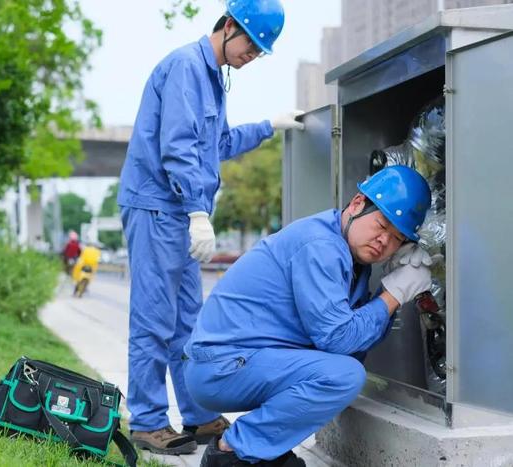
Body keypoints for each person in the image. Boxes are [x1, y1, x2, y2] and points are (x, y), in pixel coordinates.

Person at [116, 0, 286, 456]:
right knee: (154, 320)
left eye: (260, 51)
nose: (253, 55)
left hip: (180, 214)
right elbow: (178, 148)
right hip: (158, 209)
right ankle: (149, 422)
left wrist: (270, 127)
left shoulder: (213, 78)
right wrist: (197, 211)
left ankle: (195, 414)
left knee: (189, 326)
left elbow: (221, 142)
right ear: (229, 26)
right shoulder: (187, 67)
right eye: (252, 42)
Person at [183, 165, 434, 467]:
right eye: (381, 225)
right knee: (344, 375)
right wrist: (393, 293)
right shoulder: (321, 246)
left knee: (343, 367)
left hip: (239, 361)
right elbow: (339, 340)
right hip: (219, 367)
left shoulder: (351, 256)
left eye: (396, 239)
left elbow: (355, 341)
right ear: (357, 203)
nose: (384, 241)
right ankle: (232, 451)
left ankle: (263, 451)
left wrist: (388, 285)